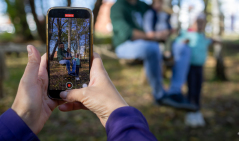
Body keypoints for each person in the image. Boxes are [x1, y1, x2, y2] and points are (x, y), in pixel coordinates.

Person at [0, 45, 157, 141]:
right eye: (60, 45)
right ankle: (73, 73)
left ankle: (74, 73)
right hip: (61, 61)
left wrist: (22, 120)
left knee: (74, 60)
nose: (61, 46)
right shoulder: (60, 51)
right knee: (69, 61)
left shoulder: (65, 50)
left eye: (62, 45)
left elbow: (68, 55)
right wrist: (116, 112)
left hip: (66, 59)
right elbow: (61, 57)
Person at [110, 0, 196, 111]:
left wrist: (168, 28)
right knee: (151, 48)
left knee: (183, 48)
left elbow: (160, 14)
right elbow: (127, 33)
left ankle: (175, 92)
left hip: (152, 42)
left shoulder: (143, 5)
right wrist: (154, 36)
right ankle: (160, 95)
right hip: (126, 46)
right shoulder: (117, 8)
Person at [175, 13, 213, 127]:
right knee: (191, 89)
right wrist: (183, 41)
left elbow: (207, 42)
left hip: (200, 67)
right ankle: (190, 113)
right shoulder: (188, 34)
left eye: (203, 23)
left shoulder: (202, 36)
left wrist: (214, 41)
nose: (200, 25)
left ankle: (197, 111)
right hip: (190, 67)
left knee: (198, 88)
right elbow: (178, 42)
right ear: (193, 22)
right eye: (198, 22)